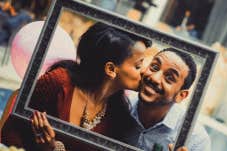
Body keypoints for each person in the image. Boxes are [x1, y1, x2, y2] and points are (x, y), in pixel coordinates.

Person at [2, 22, 152, 151]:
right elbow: (11, 134)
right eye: (138, 66)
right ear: (111, 69)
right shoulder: (58, 82)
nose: (145, 71)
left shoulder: (118, 116)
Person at [120, 48, 211, 151]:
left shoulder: (196, 140)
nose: (155, 78)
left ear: (181, 95)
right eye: (154, 67)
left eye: (169, 78)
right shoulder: (118, 105)